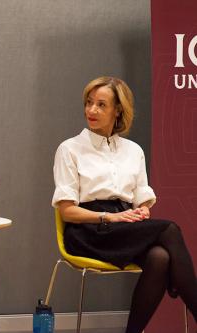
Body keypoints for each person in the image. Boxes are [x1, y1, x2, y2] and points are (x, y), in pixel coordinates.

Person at [52, 76, 196, 333]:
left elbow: (142, 201)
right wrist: (109, 218)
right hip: (89, 229)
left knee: (160, 257)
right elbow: (67, 211)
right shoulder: (69, 149)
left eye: (101, 104)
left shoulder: (133, 150)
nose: (91, 110)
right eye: (89, 103)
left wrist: (142, 211)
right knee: (169, 229)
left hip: (124, 226)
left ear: (118, 110)